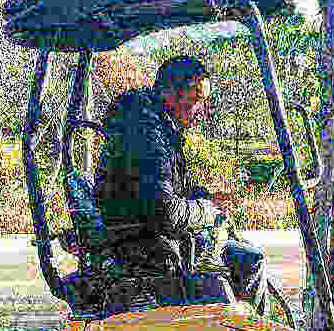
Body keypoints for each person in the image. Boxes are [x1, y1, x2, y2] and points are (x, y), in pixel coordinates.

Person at [93, 55, 270, 316]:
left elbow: (165, 189)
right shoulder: (145, 133)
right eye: (197, 100)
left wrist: (206, 198)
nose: (203, 111)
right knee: (250, 261)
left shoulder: (155, 126)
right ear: (170, 94)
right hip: (151, 250)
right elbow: (165, 212)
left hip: (153, 240)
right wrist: (207, 210)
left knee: (247, 257)